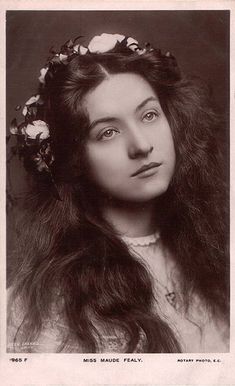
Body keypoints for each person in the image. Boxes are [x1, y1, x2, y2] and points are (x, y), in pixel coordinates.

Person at [7, 33, 229, 353]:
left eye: (149, 115)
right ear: (75, 158)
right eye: (108, 132)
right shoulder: (49, 301)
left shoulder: (214, 248)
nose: (141, 145)